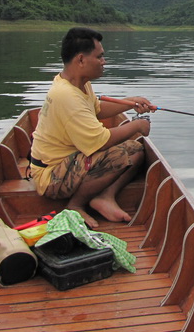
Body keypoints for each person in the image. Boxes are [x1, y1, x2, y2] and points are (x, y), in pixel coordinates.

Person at [29, 27, 153, 228]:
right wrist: (137, 125)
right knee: (122, 154)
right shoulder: (66, 95)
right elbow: (99, 142)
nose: (104, 62)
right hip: (52, 175)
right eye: (100, 57)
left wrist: (130, 102)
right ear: (80, 60)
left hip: (69, 161)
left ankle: (105, 196)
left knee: (136, 150)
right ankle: (75, 205)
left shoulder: (78, 83)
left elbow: (97, 109)